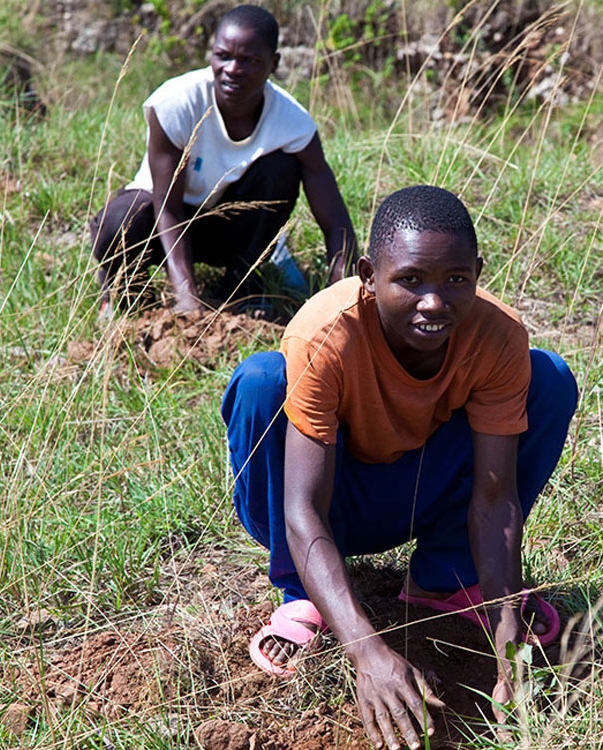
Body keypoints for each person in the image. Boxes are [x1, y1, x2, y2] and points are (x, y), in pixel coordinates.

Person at [221, 185, 577, 750]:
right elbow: (302, 509)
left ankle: (445, 579)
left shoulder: (497, 336)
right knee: (262, 383)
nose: (434, 302)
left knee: (550, 379)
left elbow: (494, 496)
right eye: (410, 279)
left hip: (418, 490)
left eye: (456, 279)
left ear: (478, 272)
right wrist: (366, 651)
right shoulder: (325, 333)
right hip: (325, 499)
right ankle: (302, 593)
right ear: (368, 274)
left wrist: (508, 626)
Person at [89, 4, 357, 317]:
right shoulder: (176, 103)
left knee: (280, 168)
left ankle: (238, 287)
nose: (232, 68)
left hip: (227, 229)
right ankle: (129, 295)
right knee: (118, 224)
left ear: (274, 63)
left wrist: (345, 290)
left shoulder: (292, 122)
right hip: (162, 224)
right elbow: (169, 209)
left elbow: (335, 219)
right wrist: (187, 298)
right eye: (223, 56)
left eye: (250, 60)